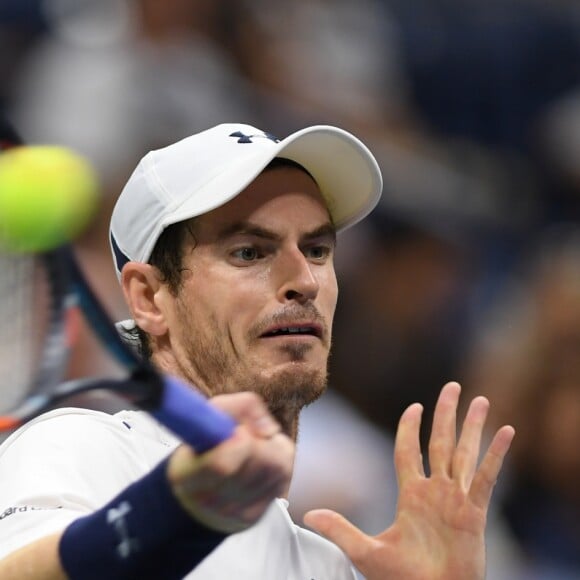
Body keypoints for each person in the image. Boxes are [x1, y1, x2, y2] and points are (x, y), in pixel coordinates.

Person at [0, 122, 514, 579]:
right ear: (149, 297)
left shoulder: (328, 566)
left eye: (316, 250)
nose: (305, 280)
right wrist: (172, 510)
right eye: (249, 252)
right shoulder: (78, 447)